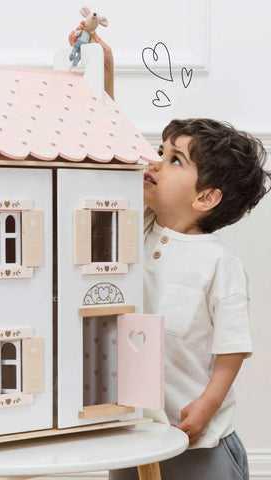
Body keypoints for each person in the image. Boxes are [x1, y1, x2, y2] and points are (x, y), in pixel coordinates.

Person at [92, 34, 271, 479]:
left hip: (198, 438)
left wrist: (208, 404)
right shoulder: (138, 226)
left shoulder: (218, 264)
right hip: (136, 432)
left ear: (206, 197)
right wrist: (104, 80)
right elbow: (111, 157)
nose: (154, 162)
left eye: (174, 160)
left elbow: (232, 347)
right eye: (161, 151)